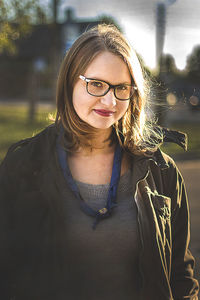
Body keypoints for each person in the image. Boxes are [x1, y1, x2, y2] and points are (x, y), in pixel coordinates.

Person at [0, 24, 199, 300]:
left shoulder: (162, 172)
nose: (110, 100)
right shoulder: (23, 166)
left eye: (122, 88)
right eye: (96, 84)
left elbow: (180, 276)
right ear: (71, 80)